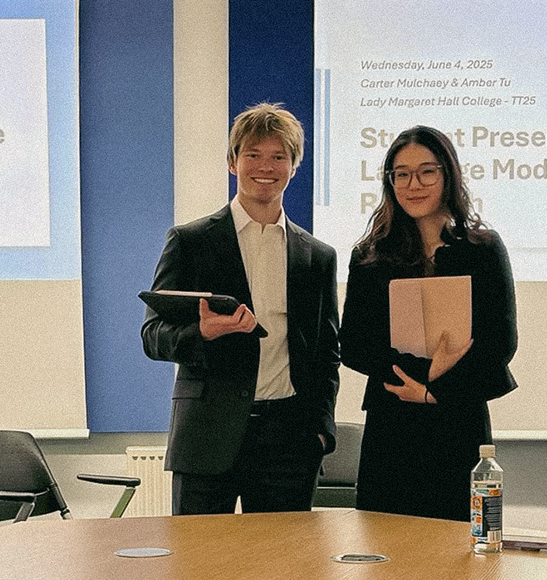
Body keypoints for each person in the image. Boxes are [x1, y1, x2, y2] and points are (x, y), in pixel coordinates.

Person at [141, 103, 340, 515]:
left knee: (282, 570)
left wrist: (319, 431)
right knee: (199, 567)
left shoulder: (317, 256)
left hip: (290, 442)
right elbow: (152, 336)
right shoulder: (191, 241)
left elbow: (326, 353)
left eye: (278, 156)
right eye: (253, 154)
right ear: (233, 162)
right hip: (206, 437)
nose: (265, 167)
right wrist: (203, 334)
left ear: (294, 166)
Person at [340, 125, 518, 522]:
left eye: (426, 172)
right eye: (400, 174)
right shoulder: (370, 255)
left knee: (460, 549)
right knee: (385, 547)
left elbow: (500, 341)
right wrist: (421, 378)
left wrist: (435, 389)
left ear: (447, 175)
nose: (413, 184)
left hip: (458, 420)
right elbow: (353, 343)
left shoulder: (482, 249)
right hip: (392, 421)